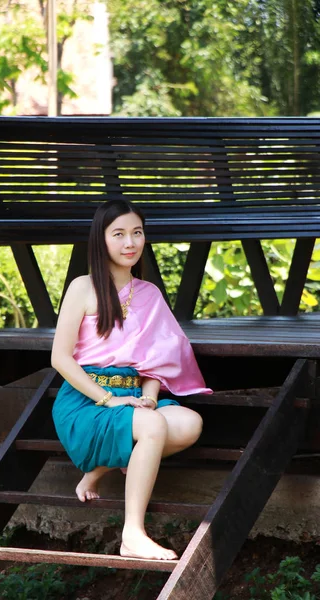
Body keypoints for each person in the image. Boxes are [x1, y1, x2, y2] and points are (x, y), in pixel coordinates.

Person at [51, 199, 211, 561]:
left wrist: (150, 398)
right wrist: (108, 399)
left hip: (135, 400)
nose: (130, 243)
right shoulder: (82, 288)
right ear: (101, 240)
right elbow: (60, 358)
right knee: (152, 427)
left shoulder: (150, 294)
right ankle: (133, 534)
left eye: (137, 233)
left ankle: (97, 471)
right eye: (119, 234)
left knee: (188, 423)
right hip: (86, 402)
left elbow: (156, 362)